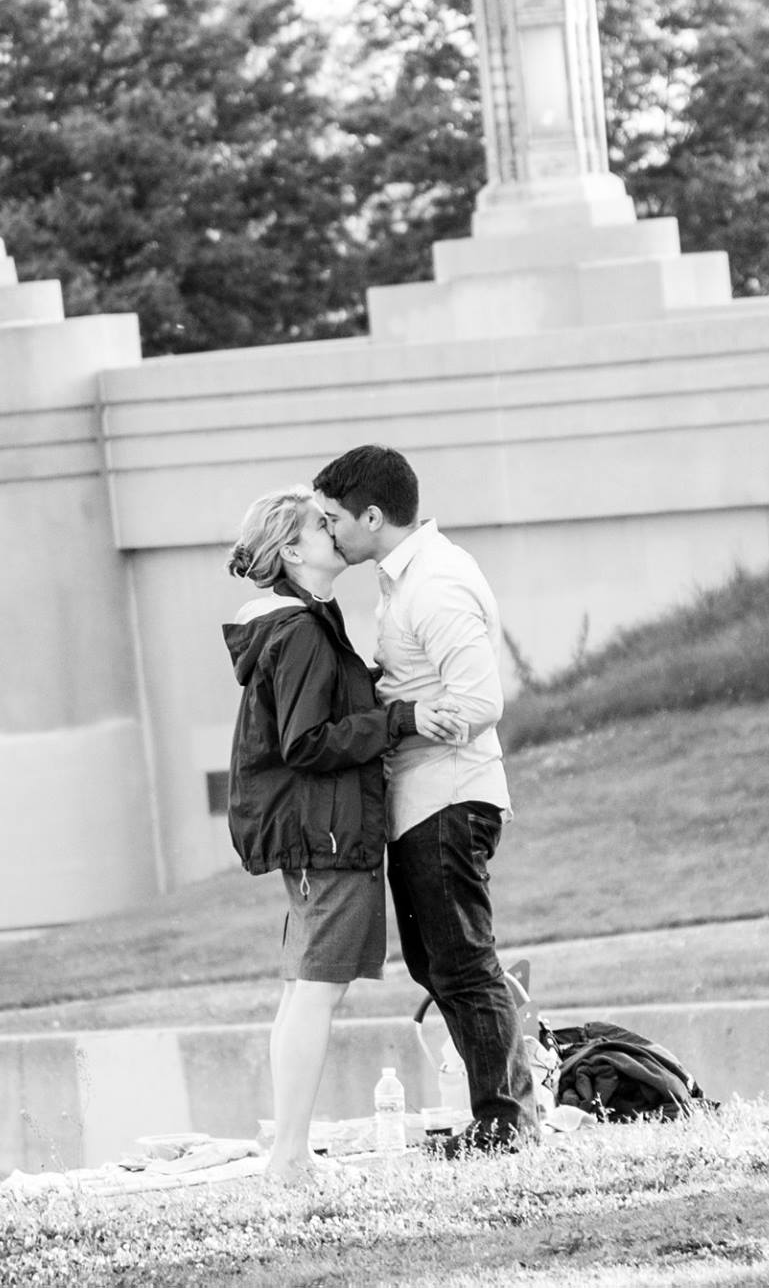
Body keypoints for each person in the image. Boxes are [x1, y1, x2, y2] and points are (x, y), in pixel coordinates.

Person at [222, 485, 464, 1183]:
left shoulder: (308, 622)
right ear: (293, 552)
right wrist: (401, 719)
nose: (336, 531)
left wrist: (379, 689)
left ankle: (289, 1153)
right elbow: (306, 742)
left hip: (321, 834)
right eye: (320, 526)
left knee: (303, 989)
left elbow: (326, 713)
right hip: (325, 836)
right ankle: (290, 1158)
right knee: (316, 992)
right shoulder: (300, 630)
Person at [311, 445, 541, 1156]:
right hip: (421, 799)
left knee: (462, 961)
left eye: (333, 519)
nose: (328, 532)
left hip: (449, 795)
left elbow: (479, 700)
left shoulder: (434, 583)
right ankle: (505, 1113)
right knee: (437, 962)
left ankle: (506, 1123)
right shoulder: (404, 579)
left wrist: (400, 714)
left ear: (372, 516)